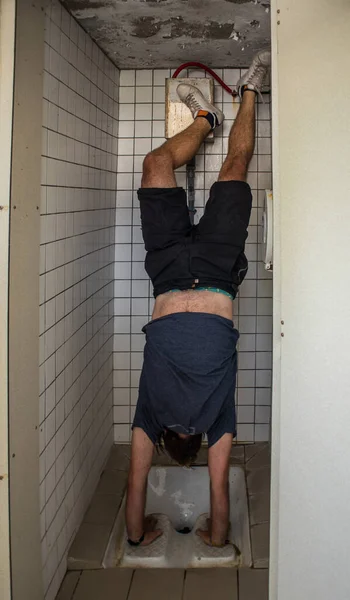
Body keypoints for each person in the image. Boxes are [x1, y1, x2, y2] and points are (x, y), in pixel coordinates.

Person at [126, 50, 271, 548]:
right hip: (214, 273)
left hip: (167, 273)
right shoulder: (217, 418)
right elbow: (216, 489)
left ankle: (206, 119)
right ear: (172, 443)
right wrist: (214, 534)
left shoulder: (150, 414)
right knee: (235, 169)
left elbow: (135, 484)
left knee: (155, 164)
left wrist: (142, 533)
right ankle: (252, 88)